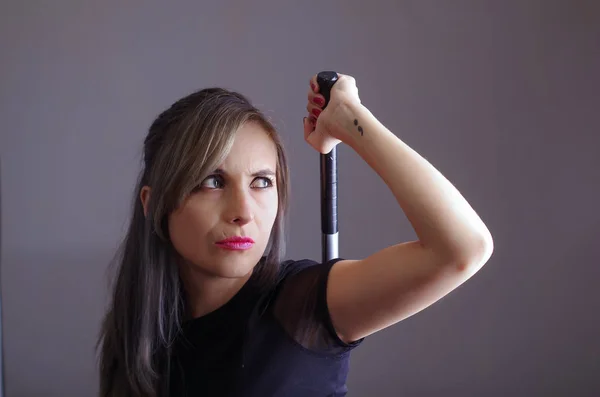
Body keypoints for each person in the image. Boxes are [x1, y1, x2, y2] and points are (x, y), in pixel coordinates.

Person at [96, 72, 494, 397]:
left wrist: (351, 120)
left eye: (261, 182)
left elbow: (462, 247)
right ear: (153, 205)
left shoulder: (303, 307)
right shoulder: (136, 332)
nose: (243, 212)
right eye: (213, 181)